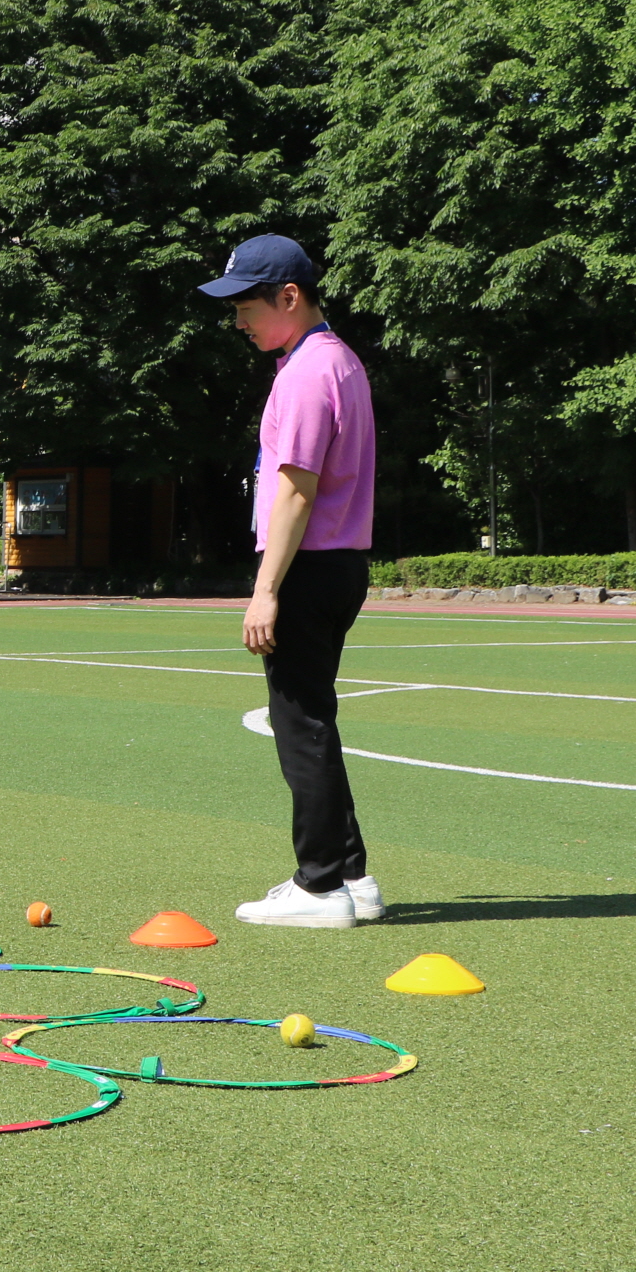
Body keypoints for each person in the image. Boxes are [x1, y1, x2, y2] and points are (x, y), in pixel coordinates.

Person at [196, 234, 385, 929]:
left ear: (289, 296)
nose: (238, 321)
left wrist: (265, 588)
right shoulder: (340, 361)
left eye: (245, 306)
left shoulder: (307, 372)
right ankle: (351, 877)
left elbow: (298, 490)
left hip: (308, 564)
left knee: (298, 724)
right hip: (338, 563)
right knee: (314, 720)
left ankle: (320, 887)